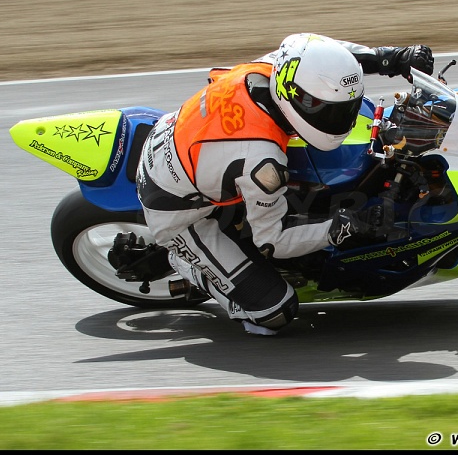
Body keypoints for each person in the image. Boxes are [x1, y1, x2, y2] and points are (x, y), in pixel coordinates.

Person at [135, 33, 434, 335]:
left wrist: (392, 58)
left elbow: (334, 59)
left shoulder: (281, 68)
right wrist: (344, 226)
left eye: (346, 107)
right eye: (330, 110)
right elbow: (272, 240)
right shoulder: (262, 161)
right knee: (274, 313)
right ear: (297, 98)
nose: (343, 117)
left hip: (183, 142)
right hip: (180, 212)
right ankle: (189, 266)